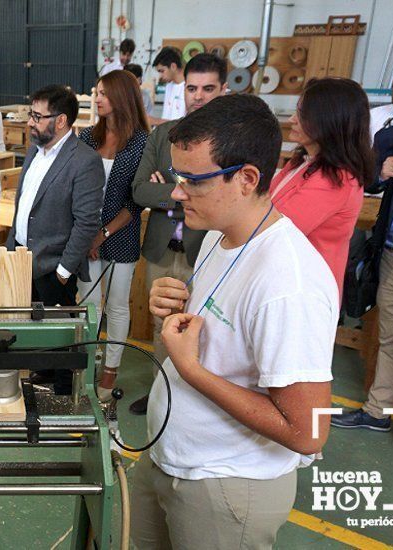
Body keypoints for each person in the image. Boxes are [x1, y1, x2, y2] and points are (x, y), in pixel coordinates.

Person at [135, 94, 337, 549]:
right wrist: (175, 309)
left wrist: (191, 370)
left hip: (226, 484)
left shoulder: (289, 283)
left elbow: (307, 432)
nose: (177, 191)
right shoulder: (216, 237)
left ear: (247, 179)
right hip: (176, 458)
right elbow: (220, 339)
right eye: (175, 177)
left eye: (192, 181)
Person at [331, 100, 393, 479]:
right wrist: (379, 172)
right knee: (389, 342)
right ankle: (377, 412)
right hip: (392, 258)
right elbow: (364, 177)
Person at [129, 52, 227, 414]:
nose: (198, 96)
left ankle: (191, 400)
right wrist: (178, 191)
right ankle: (161, 393)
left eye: (207, 88)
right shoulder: (162, 135)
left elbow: (222, 200)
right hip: (162, 246)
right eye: (191, 88)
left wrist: (169, 187)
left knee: (201, 330)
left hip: (204, 249)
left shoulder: (230, 142)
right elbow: (140, 190)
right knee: (161, 325)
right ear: (181, 89)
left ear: (223, 90)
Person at [6, 85, 104, 395]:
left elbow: (86, 221)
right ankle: (42, 373)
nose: (30, 122)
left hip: (53, 267)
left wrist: (63, 270)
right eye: (30, 114)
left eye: (37, 116)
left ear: (60, 121)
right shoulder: (34, 149)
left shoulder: (84, 160)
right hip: (22, 258)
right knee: (33, 326)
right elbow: (24, 203)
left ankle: (63, 394)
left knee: (60, 334)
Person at [77, 70, 149, 400]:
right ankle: (87, 364)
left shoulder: (141, 144)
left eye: (104, 93)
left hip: (120, 234)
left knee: (117, 305)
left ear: (122, 97)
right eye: (97, 92)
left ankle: (110, 371)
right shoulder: (88, 138)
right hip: (86, 233)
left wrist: (102, 234)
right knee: (88, 304)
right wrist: (87, 234)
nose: (97, 98)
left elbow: (137, 201)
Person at [271, 78, 372, 296]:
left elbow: (275, 229)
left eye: (301, 114)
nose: (291, 120)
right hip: (285, 277)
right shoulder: (302, 161)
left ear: (328, 121)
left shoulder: (337, 178)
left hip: (306, 289)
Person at [149, 46, 185, 126]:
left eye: (162, 71)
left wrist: (155, 121)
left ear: (173, 66)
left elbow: (184, 124)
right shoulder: (169, 86)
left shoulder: (189, 88)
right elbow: (166, 117)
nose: (160, 76)